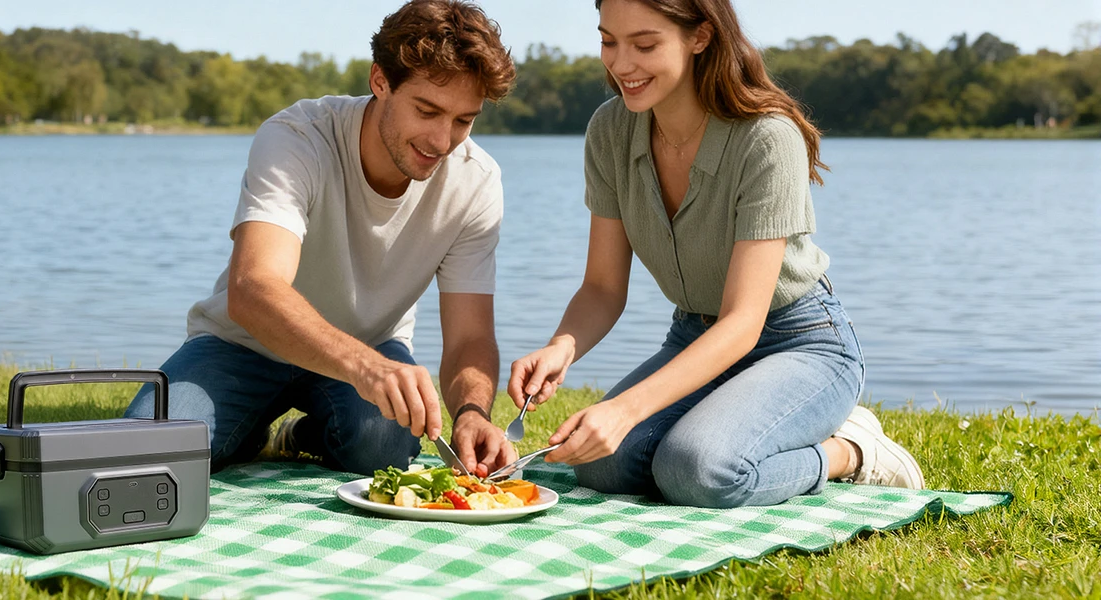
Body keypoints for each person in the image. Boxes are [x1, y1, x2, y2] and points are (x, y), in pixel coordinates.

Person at [506, 0, 925, 508]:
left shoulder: (767, 138)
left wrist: (626, 410)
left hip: (797, 342)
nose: (621, 64)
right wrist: (561, 348)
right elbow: (602, 287)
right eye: (608, 41)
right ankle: (722, 429)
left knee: (697, 471)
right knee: (601, 463)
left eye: (644, 44)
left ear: (700, 36)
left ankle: (851, 450)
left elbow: (743, 322)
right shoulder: (610, 131)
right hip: (694, 336)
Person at [125, 0, 519, 478]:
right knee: (145, 450)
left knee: (383, 446)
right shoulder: (297, 138)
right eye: (427, 110)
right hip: (244, 345)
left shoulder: (476, 182)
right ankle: (245, 430)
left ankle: (303, 436)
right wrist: (364, 368)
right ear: (380, 81)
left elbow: (470, 337)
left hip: (372, 346)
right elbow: (253, 288)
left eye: (463, 121)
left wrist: (473, 413)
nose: (442, 141)